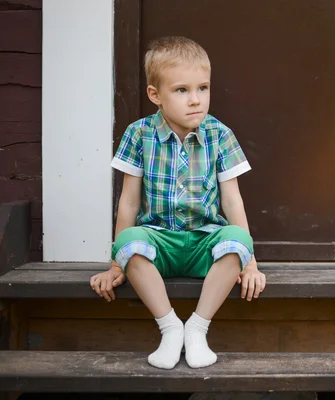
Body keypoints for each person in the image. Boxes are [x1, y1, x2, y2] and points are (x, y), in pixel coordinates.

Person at [89, 36, 266, 370]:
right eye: (182, 90)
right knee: (128, 242)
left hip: (204, 243)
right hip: (160, 245)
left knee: (239, 239)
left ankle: (197, 328)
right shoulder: (138, 134)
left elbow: (232, 200)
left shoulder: (219, 134)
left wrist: (251, 263)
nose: (195, 100)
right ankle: (170, 327)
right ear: (156, 95)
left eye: (203, 88)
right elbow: (128, 202)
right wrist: (116, 265)